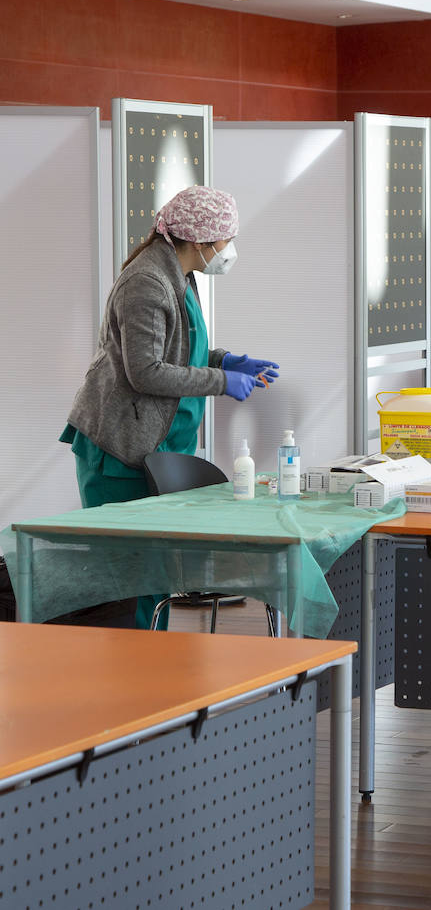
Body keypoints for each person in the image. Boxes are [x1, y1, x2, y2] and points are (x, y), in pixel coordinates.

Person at [61, 185, 278, 631]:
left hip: (156, 446)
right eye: (224, 241)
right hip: (118, 450)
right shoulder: (147, 281)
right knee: (128, 579)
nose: (227, 250)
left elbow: (180, 347)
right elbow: (146, 371)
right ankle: (132, 683)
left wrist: (225, 360)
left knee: (153, 574)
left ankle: (151, 672)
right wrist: (220, 381)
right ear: (199, 242)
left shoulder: (181, 272)